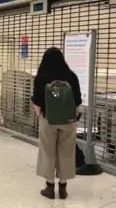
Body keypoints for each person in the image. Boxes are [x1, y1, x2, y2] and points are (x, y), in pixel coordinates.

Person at [31, 47, 82, 199]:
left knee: (47, 152)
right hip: (68, 120)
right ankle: (63, 188)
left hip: (48, 120)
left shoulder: (41, 77)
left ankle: (49, 187)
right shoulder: (71, 76)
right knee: (66, 152)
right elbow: (77, 100)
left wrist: (42, 116)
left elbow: (37, 101)